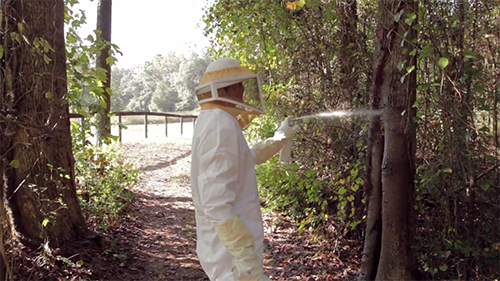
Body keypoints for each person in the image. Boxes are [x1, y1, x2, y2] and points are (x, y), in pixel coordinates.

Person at [190, 57, 297, 280]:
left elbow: (244, 158)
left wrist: (278, 139)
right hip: (231, 257)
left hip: (229, 251)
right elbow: (215, 203)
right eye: (239, 85)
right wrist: (244, 256)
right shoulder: (220, 125)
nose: (243, 90)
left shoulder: (214, 120)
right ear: (226, 89)